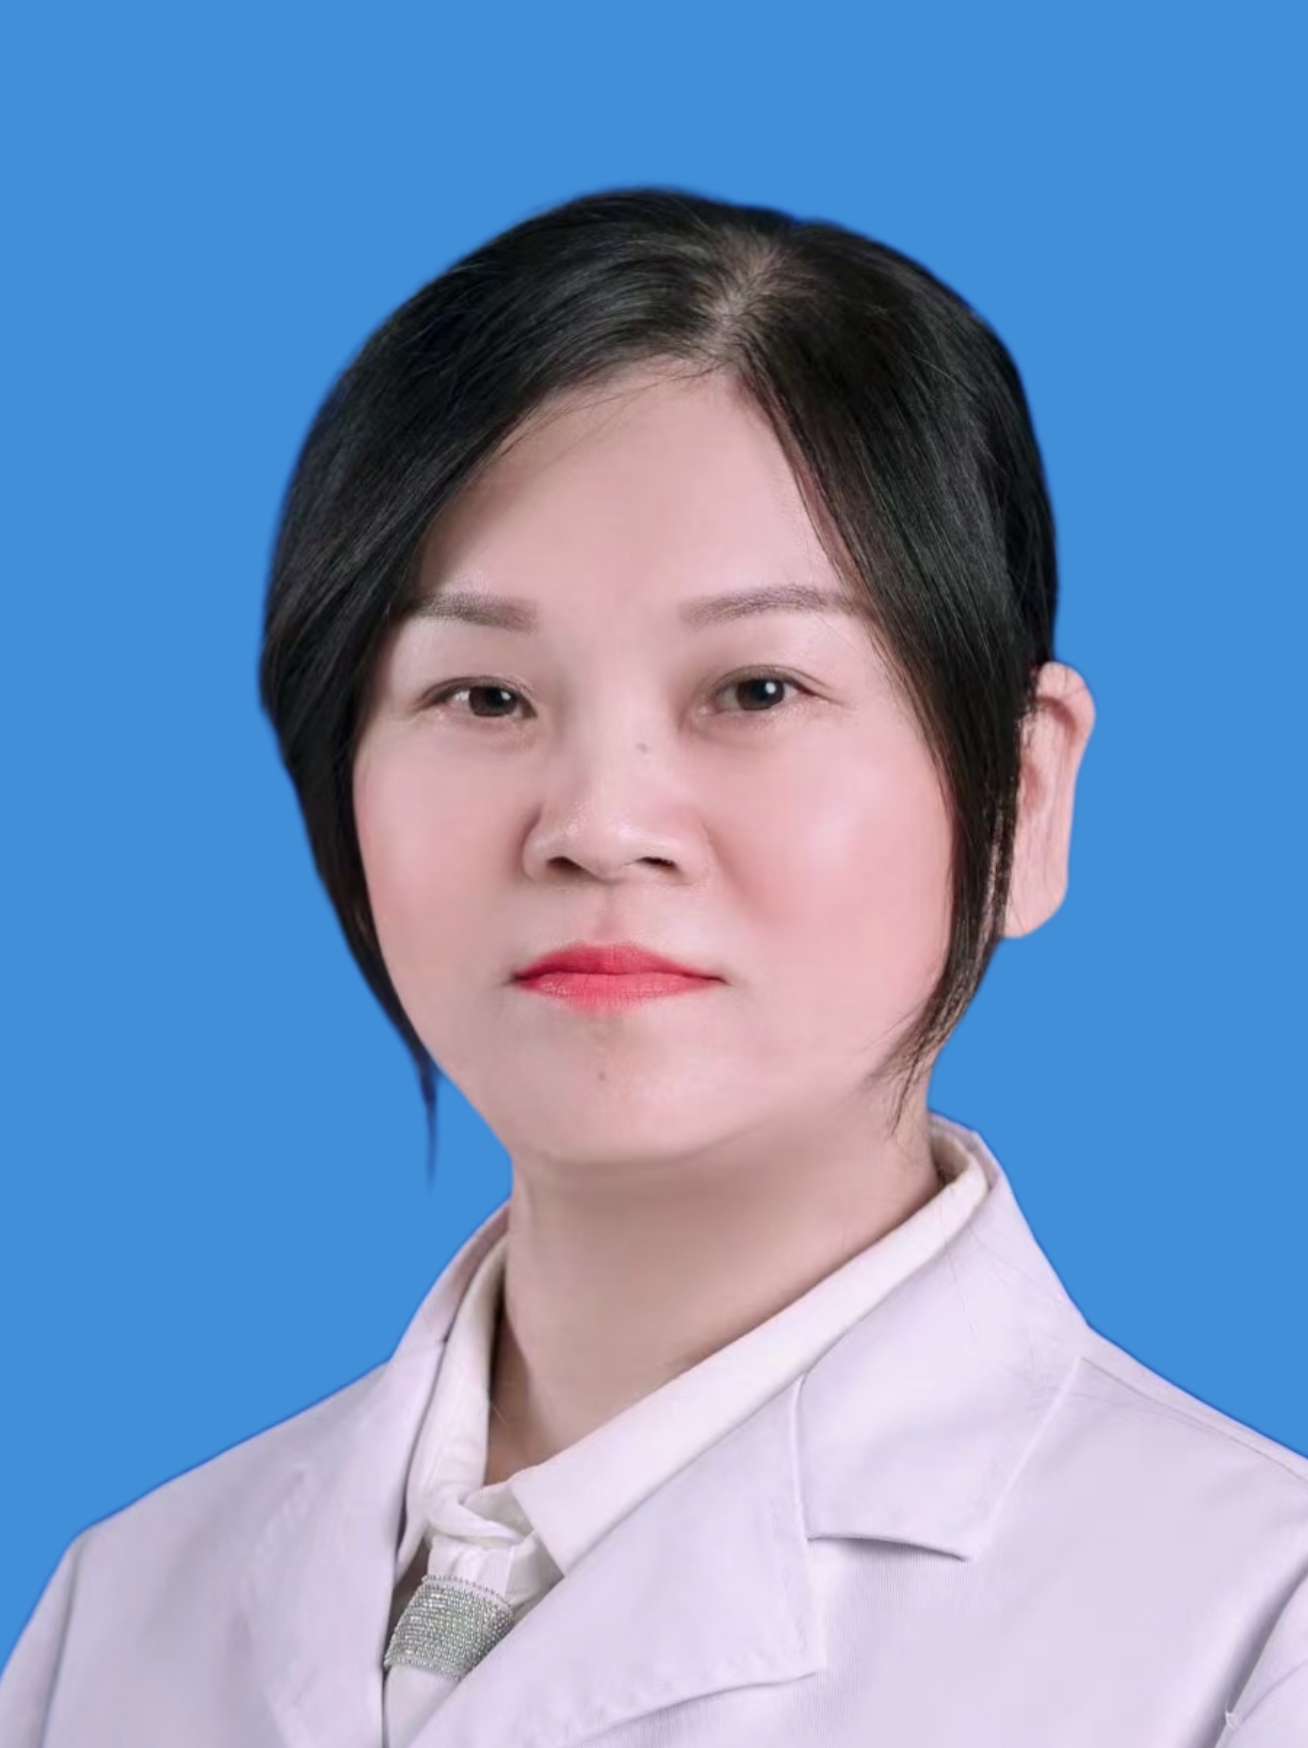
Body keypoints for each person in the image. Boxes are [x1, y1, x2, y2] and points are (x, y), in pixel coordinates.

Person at [2, 187, 1304, 1748]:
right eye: (484, 696)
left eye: (756, 688)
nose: (600, 825)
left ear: (1020, 796)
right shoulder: (125, 1611)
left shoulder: (1247, 1629)